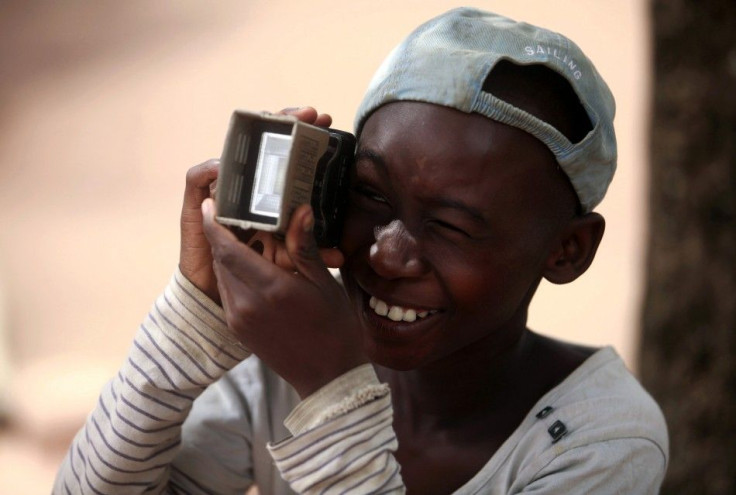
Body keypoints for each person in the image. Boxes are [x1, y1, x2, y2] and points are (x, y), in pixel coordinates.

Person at [54, 7, 668, 494]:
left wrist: (332, 392)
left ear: (567, 250)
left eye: (452, 226)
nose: (386, 255)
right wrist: (193, 321)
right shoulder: (282, 356)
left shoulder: (598, 440)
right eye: (370, 195)